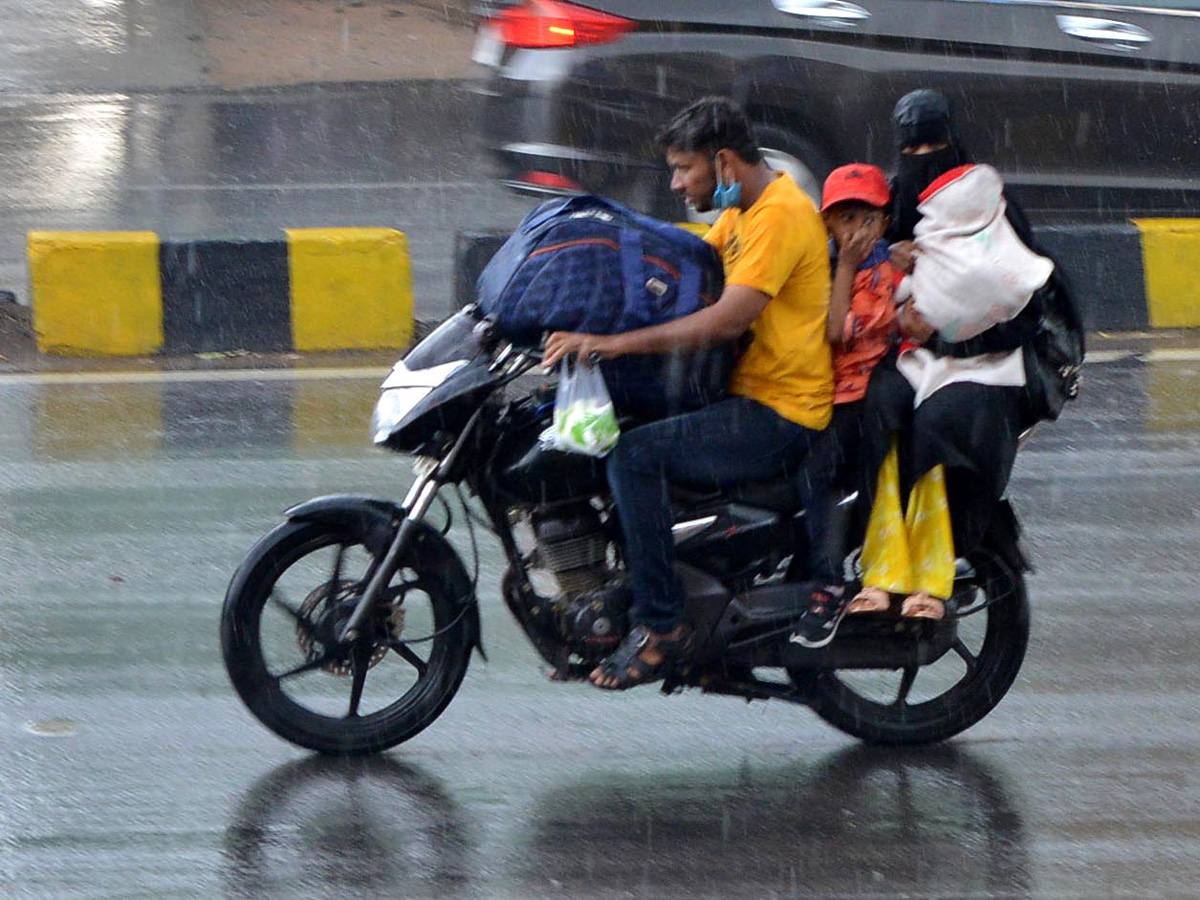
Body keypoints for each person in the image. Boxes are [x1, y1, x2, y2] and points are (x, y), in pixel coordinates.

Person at [541, 96, 833, 690]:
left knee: (634, 455)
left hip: (781, 411)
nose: (676, 183)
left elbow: (726, 320)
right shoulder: (743, 212)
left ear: (723, 163)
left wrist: (610, 343)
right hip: (743, 391)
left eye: (684, 169)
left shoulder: (779, 215)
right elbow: (682, 254)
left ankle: (661, 625)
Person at [847, 89, 1052, 622]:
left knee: (940, 425)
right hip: (913, 358)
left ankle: (933, 579)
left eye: (932, 144)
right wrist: (883, 257)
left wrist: (953, 331)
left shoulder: (991, 208)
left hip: (986, 362)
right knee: (882, 411)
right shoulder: (893, 206)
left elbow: (1026, 302)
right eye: (911, 148)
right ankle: (880, 571)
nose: (921, 158)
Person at [789, 163, 902, 647]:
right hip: (815, 393)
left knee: (819, 478)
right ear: (827, 223)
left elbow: (837, 331)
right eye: (846, 219)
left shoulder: (881, 275)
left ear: (884, 220)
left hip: (856, 401)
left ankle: (829, 585)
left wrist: (850, 268)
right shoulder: (822, 264)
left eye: (868, 218)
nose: (857, 229)